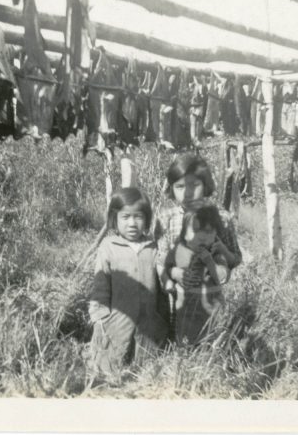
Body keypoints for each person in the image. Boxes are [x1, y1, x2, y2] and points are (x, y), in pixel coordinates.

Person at [156, 154, 242, 345]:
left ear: (206, 185)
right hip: (177, 299)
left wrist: (222, 256)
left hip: (211, 297)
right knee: (180, 342)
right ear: (171, 189)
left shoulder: (221, 218)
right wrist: (174, 273)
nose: (187, 193)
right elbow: (160, 260)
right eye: (179, 187)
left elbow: (235, 259)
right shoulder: (166, 218)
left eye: (194, 186)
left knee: (212, 341)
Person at [87, 187, 169, 379]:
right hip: (116, 321)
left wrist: (164, 318)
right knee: (109, 366)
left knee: (148, 364)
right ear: (115, 218)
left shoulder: (153, 247)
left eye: (138, 217)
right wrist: (100, 317)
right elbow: (100, 285)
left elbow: (162, 291)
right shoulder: (108, 247)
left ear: (147, 219)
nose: (132, 223)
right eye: (125, 217)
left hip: (149, 322)